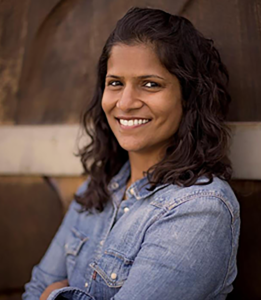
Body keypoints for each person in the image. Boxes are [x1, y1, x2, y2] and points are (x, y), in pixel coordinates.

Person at [23, 6, 240, 300]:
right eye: (115, 83)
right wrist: (46, 293)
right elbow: (34, 289)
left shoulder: (199, 208)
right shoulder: (97, 189)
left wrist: (53, 297)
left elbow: (42, 295)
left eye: (150, 84)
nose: (124, 103)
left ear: (189, 97)